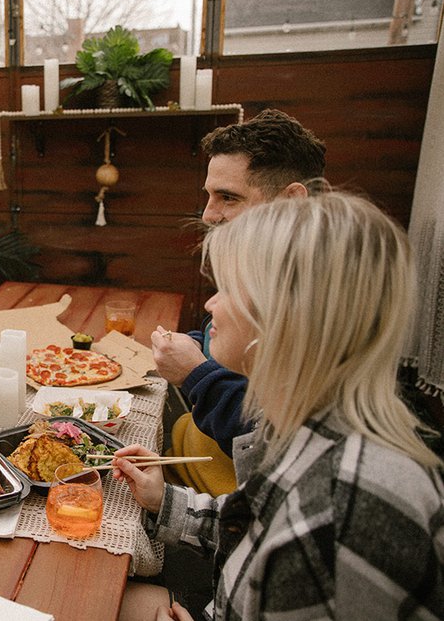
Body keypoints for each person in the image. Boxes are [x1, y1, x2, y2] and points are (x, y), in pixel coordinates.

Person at [117, 193, 444, 621]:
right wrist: (165, 500)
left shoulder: (339, 519)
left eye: (229, 288)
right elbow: (257, 524)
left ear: (286, 314)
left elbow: (296, 540)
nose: (211, 304)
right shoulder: (307, 425)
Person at [152, 109, 327, 496]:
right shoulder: (259, 265)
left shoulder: (324, 299)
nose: (208, 214)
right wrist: (196, 344)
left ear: (292, 200)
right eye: (209, 196)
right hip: (192, 456)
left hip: (229, 498)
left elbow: (277, 440)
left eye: (227, 198)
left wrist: (195, 374)